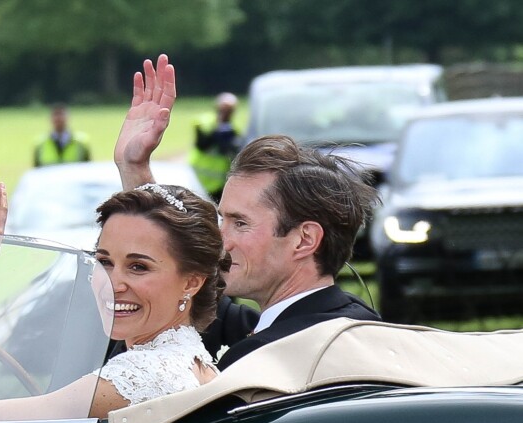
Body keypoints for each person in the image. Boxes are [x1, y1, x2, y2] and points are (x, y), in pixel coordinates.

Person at [113, 55, 382, 370]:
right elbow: (193, 304)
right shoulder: (326, 324)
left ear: (304, 239)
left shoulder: (287, 353)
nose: (220, 240)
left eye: (239, 223)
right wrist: (135, 169)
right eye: (221, 219)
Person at [0, 174, 225, 422]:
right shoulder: (192, 360)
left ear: (192, 282)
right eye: (104, 262)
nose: (113, 284)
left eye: (138, 267)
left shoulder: (141, 375)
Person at [188, 91, 242, 203]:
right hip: (199, 177)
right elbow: (202, 144)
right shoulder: (205, 123)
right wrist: (217, 132)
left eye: (229, 110)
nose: (226, 113)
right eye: (224, 109)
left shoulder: (233, 131)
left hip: (218, 183)